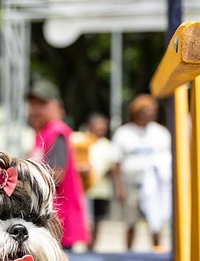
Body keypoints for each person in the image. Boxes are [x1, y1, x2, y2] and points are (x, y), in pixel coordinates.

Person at [26, 79, 90, 251]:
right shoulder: (43, 133)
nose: (35, 109)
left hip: (58, 220)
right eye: (32, 104)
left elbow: (55, 175)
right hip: (49, 219)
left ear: (58, 107)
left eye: (42, 104)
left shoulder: (57, 131)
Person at [110, 94, 172, 251]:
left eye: (153, 110)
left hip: (155, 184)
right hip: (131, 183)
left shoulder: (161, 133)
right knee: (130, 221)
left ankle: (157, 249)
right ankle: (129, 252)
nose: (150, 114)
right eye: (146, 110)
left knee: (155, 221)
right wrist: (119, 187)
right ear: (136, 112)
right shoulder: (123, 133)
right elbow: (116, 163)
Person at [71, 113, 115, 251]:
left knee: (97, 220)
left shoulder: (107, 145)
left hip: (100, 189)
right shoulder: (77, 139)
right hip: (81, 188)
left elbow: (112, 167)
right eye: (98, 124)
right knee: (83, 218)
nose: (101, 128)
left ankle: (91, 247)